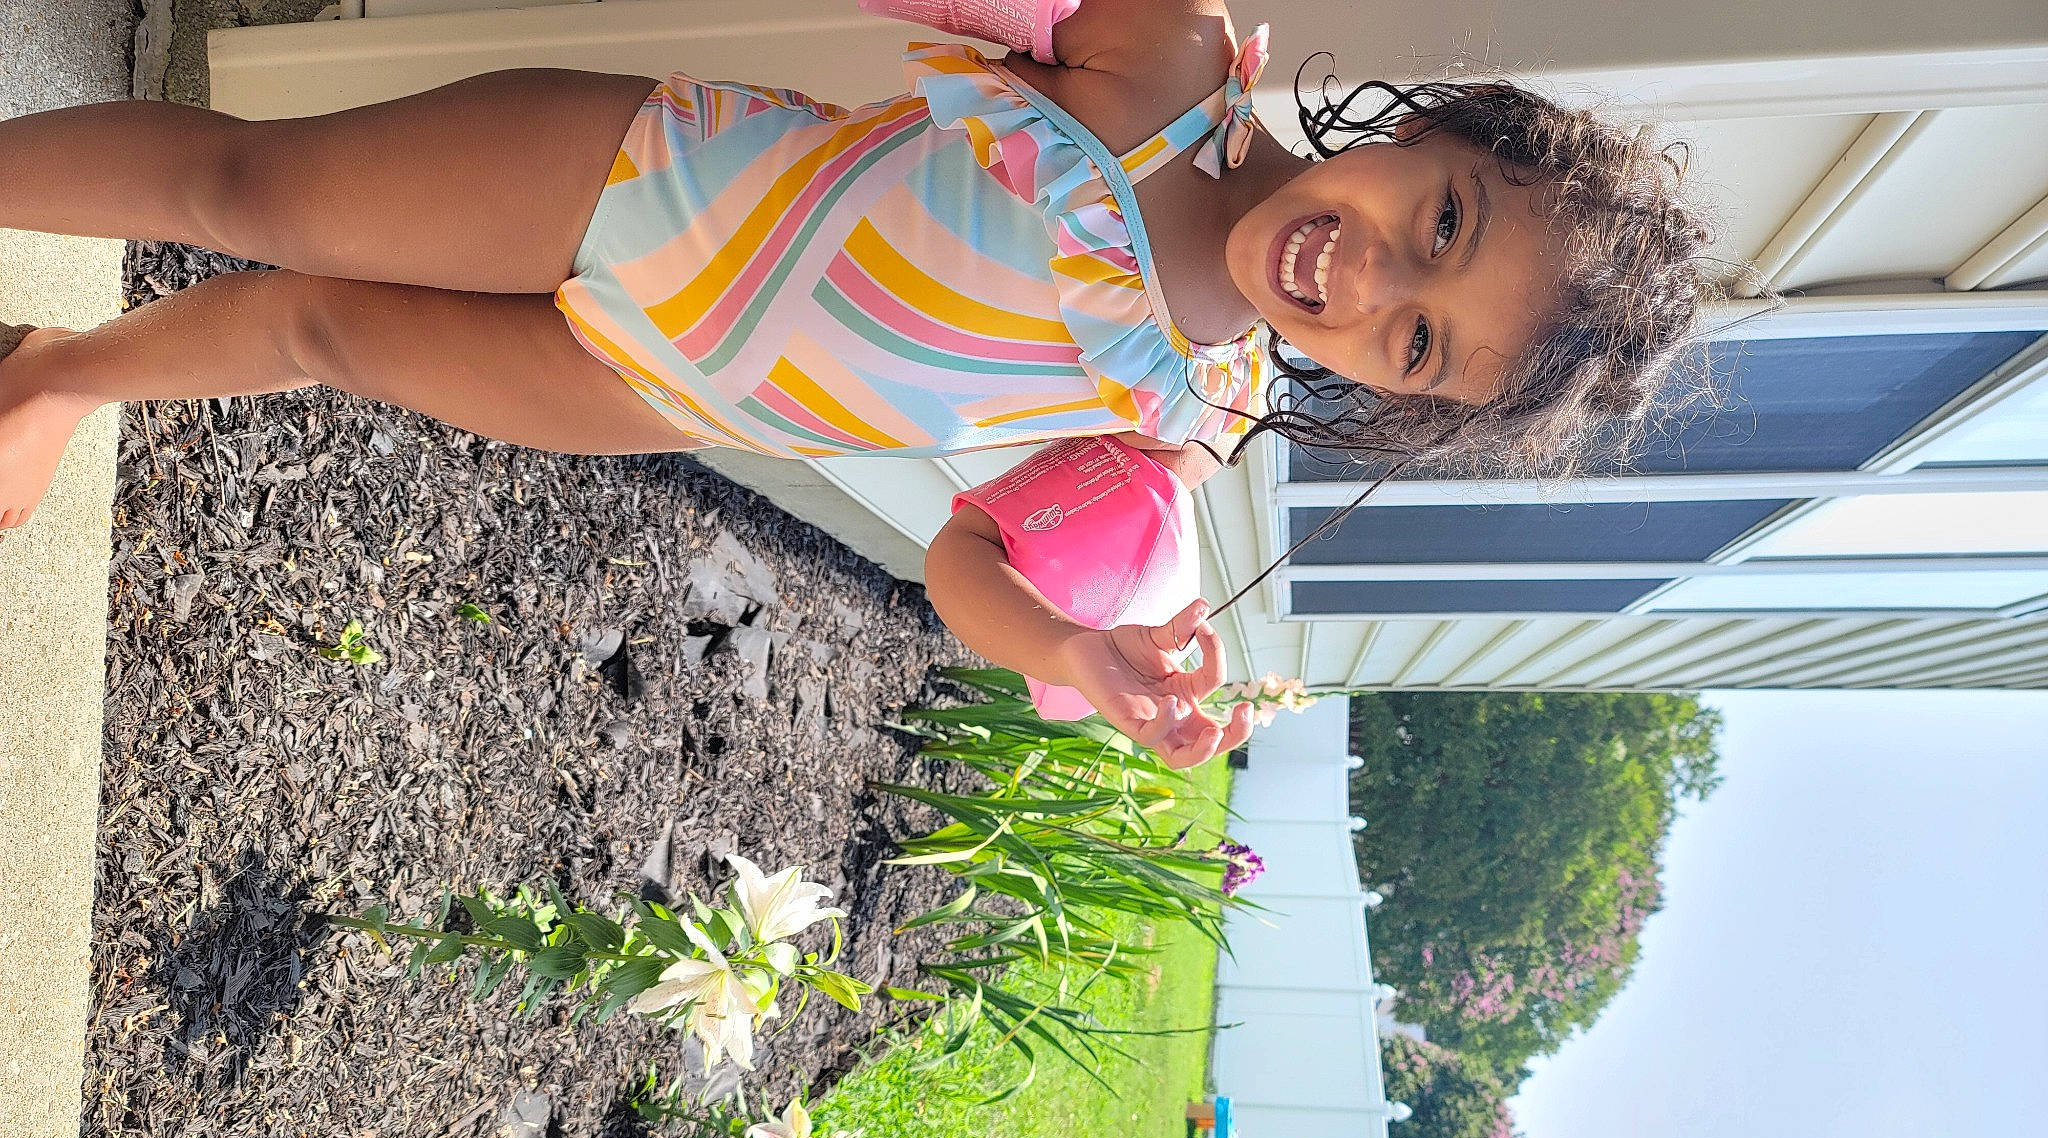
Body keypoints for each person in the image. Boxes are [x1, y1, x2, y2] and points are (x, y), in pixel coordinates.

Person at [0, 0, 1714, 765]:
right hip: (632, 181)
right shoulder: (1167, 64)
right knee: (250, 191)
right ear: (1432, 134)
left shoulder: (1162, 432)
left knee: (319, 334)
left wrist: (1063, 648)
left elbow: (964, 562)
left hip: (660, 387)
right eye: (1442, 219)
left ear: (1393, 396)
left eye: (1417, 337)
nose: (1371, 276)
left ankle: (66, 372)